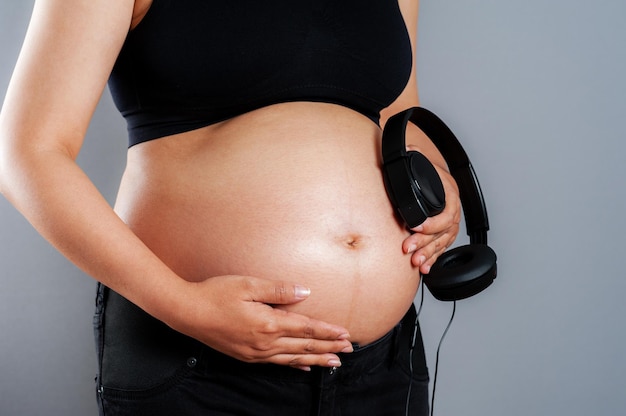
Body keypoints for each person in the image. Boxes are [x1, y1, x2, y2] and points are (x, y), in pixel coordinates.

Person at [0, 0, 461, 414]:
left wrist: (440, 179)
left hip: (383, 364)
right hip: (196, 357)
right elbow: (26, 154)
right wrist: (185, 307)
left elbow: (400, 115)